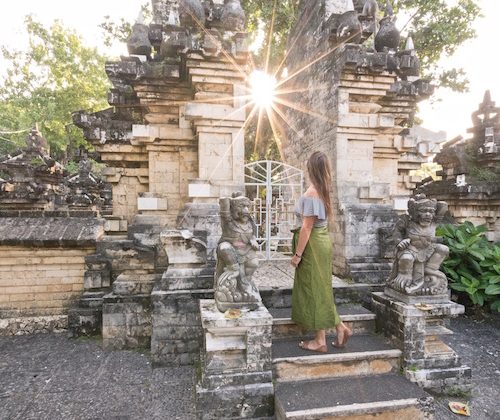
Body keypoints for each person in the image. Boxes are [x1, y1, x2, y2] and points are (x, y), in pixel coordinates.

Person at [290, 151, 352, 352]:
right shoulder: (322, 190)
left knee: (315, 289)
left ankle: (320, 341)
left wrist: (297, 255)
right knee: (322, 289)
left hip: (313, 245)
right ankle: (340, 327)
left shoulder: (312, 194)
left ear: (311, 168)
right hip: (322, 242)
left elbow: (307, 227)